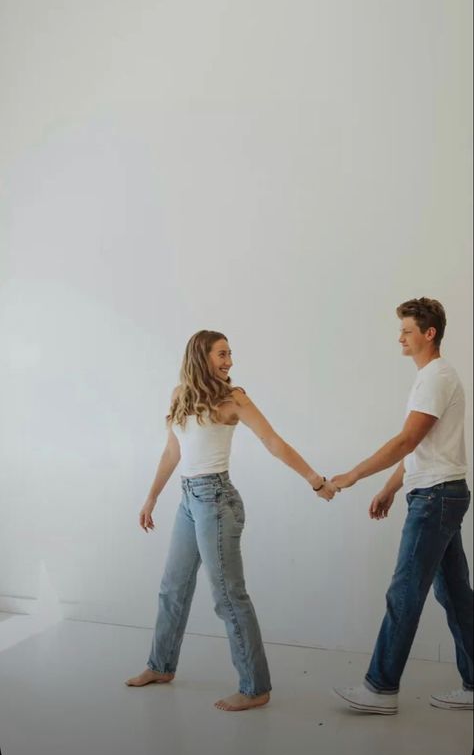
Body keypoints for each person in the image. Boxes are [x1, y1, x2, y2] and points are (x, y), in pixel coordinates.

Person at [126, 330, 337, 711]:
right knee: (172, 587)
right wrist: (152, 496)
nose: (229, 362)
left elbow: (274, 442)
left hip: (217, 502)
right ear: (201, 357)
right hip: (189, 501)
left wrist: (315, 480)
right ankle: (160, 666)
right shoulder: (180, 396)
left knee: (228, 597)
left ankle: (255, 687)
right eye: (222, 354)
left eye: (230, 354)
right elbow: (173, 450)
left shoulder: (234, 399)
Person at [331, 297, 473, 714]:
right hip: (438, 492)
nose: (401, 338)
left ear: (429, 334)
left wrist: (354, 475)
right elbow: (422, 448)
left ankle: (380, 689)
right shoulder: (432, 376)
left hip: (435, 499)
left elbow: (405, 441)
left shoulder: (436, 377)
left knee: (405, 593)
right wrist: (393, 487)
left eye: (407, 331)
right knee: (457, 596)